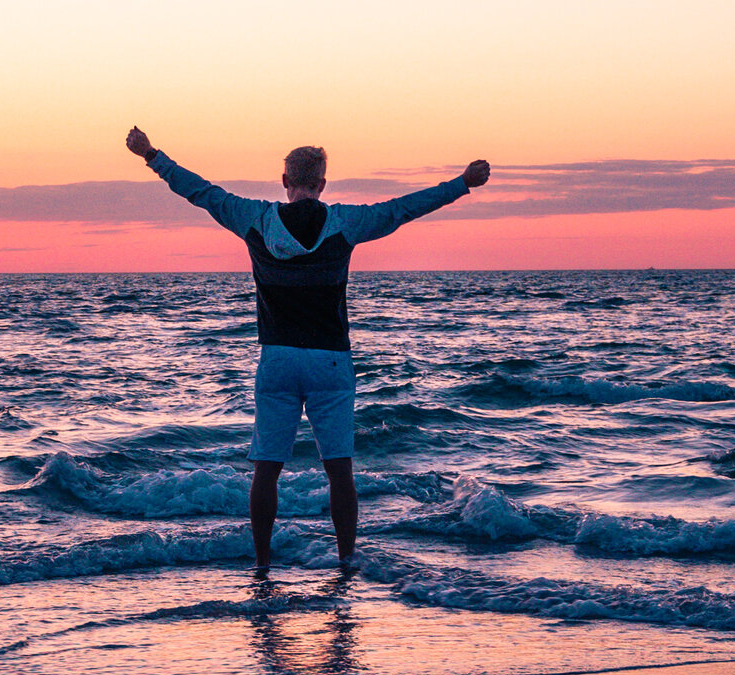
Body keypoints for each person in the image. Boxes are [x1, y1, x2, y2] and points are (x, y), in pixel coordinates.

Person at [125, 126, 490, 574]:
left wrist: (151, 154)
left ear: (285, 181)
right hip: (330, 360)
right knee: (339, 469)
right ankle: (346, 561)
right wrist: (461, 184)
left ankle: (261, 565)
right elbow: (402, 209)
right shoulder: (345, 223)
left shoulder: (253, 218)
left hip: (277, 358)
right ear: (321, 184)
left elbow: (199, 191)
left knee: (267, 468)